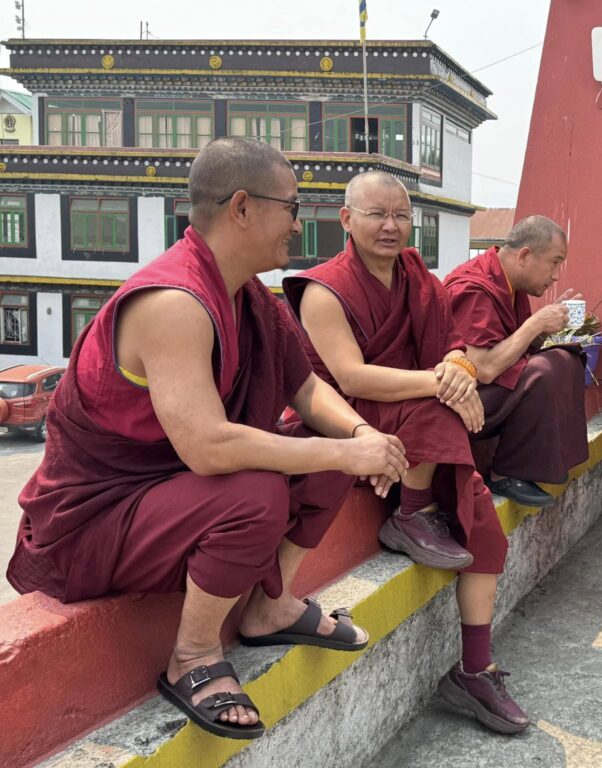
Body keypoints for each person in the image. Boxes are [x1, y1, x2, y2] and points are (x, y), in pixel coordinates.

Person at [6, 137, 408, 740]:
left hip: (170, 496)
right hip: (96, 520)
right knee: (258, 492)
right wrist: (347, 450)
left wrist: (360, 434)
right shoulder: (174, 302)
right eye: (291, 207)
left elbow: (305, 389)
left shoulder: (249, 295)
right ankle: (192, 655)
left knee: (323, 448)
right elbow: (208, 447)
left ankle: (271, 605)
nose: (298, 225)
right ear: (242, 207)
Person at [282, 170, 529, 735]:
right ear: (347, 219)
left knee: (484, 530)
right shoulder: (323, 289)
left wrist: (458, 370)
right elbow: (351, 377)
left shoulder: (418, 276)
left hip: (411, 416)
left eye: (401, 215)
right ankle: (412, 513)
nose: (391, 226)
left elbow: (451, 345)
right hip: (345, 420)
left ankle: (475, 670)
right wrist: (445, 385)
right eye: (377, 214)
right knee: (440, 410)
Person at [444, 216, 588, 506]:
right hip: (460, 401)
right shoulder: (473, 287)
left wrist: (544, 330)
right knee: (544, 370)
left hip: (489, 392)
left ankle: (546, 462)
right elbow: (482, 369)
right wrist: (535, 324)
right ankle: (507, 472)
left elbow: (511, 348)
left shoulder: (509, 284)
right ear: (524, 255)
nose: (556, 275)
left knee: (566, 358)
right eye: (554, 263)